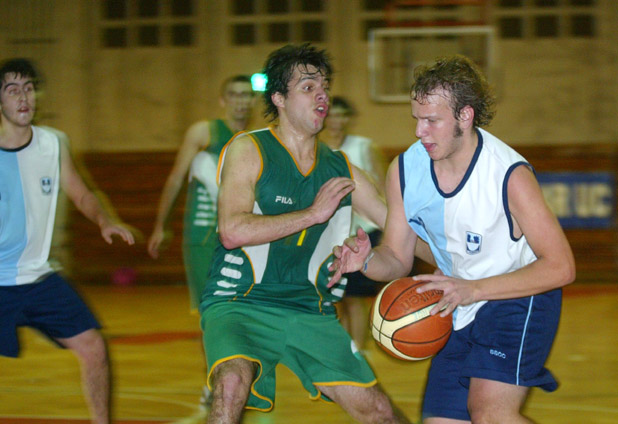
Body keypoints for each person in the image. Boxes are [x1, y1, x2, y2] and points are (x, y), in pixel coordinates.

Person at [330, 55, 576, 423]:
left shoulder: (509, 175)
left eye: (431, 120)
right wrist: (366, 260)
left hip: (518, 296)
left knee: (490, 414)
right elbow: (396, 257)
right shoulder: (405, 170)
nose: (420, 131)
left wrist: (473, 289)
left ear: (465, 116)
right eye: (416, 119)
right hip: (457, 299)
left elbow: (561, 267)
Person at [199, 44, 411, 424]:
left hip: (310, 307)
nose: (322, 96)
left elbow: (400, 230)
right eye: (309, 87)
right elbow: (232, 231)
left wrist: (457, 265)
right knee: (231, 384)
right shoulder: (249, 149)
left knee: (379, 411)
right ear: (279, 98)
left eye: (325, 87)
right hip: (240, 301)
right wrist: (313, 214)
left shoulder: (341, 168)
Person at [0, 58, 135, 424]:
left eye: (29, 88)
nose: (23, 97)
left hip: (38, 277)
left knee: (94, 347)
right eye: (12, 90)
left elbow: (82, 193)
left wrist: (104, 220)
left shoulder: (53, 143)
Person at [320, 96, 387, 351]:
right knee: (335, 298)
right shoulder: (317, 149)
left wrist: (386, 228)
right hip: (329, 234)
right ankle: (342, 349)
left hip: (362, 232)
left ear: (349, 118)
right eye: (332, 115)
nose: (337, 120)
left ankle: (359, 350)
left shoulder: (363, 146)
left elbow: (383, 189)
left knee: (356, 298)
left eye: (342, 115)